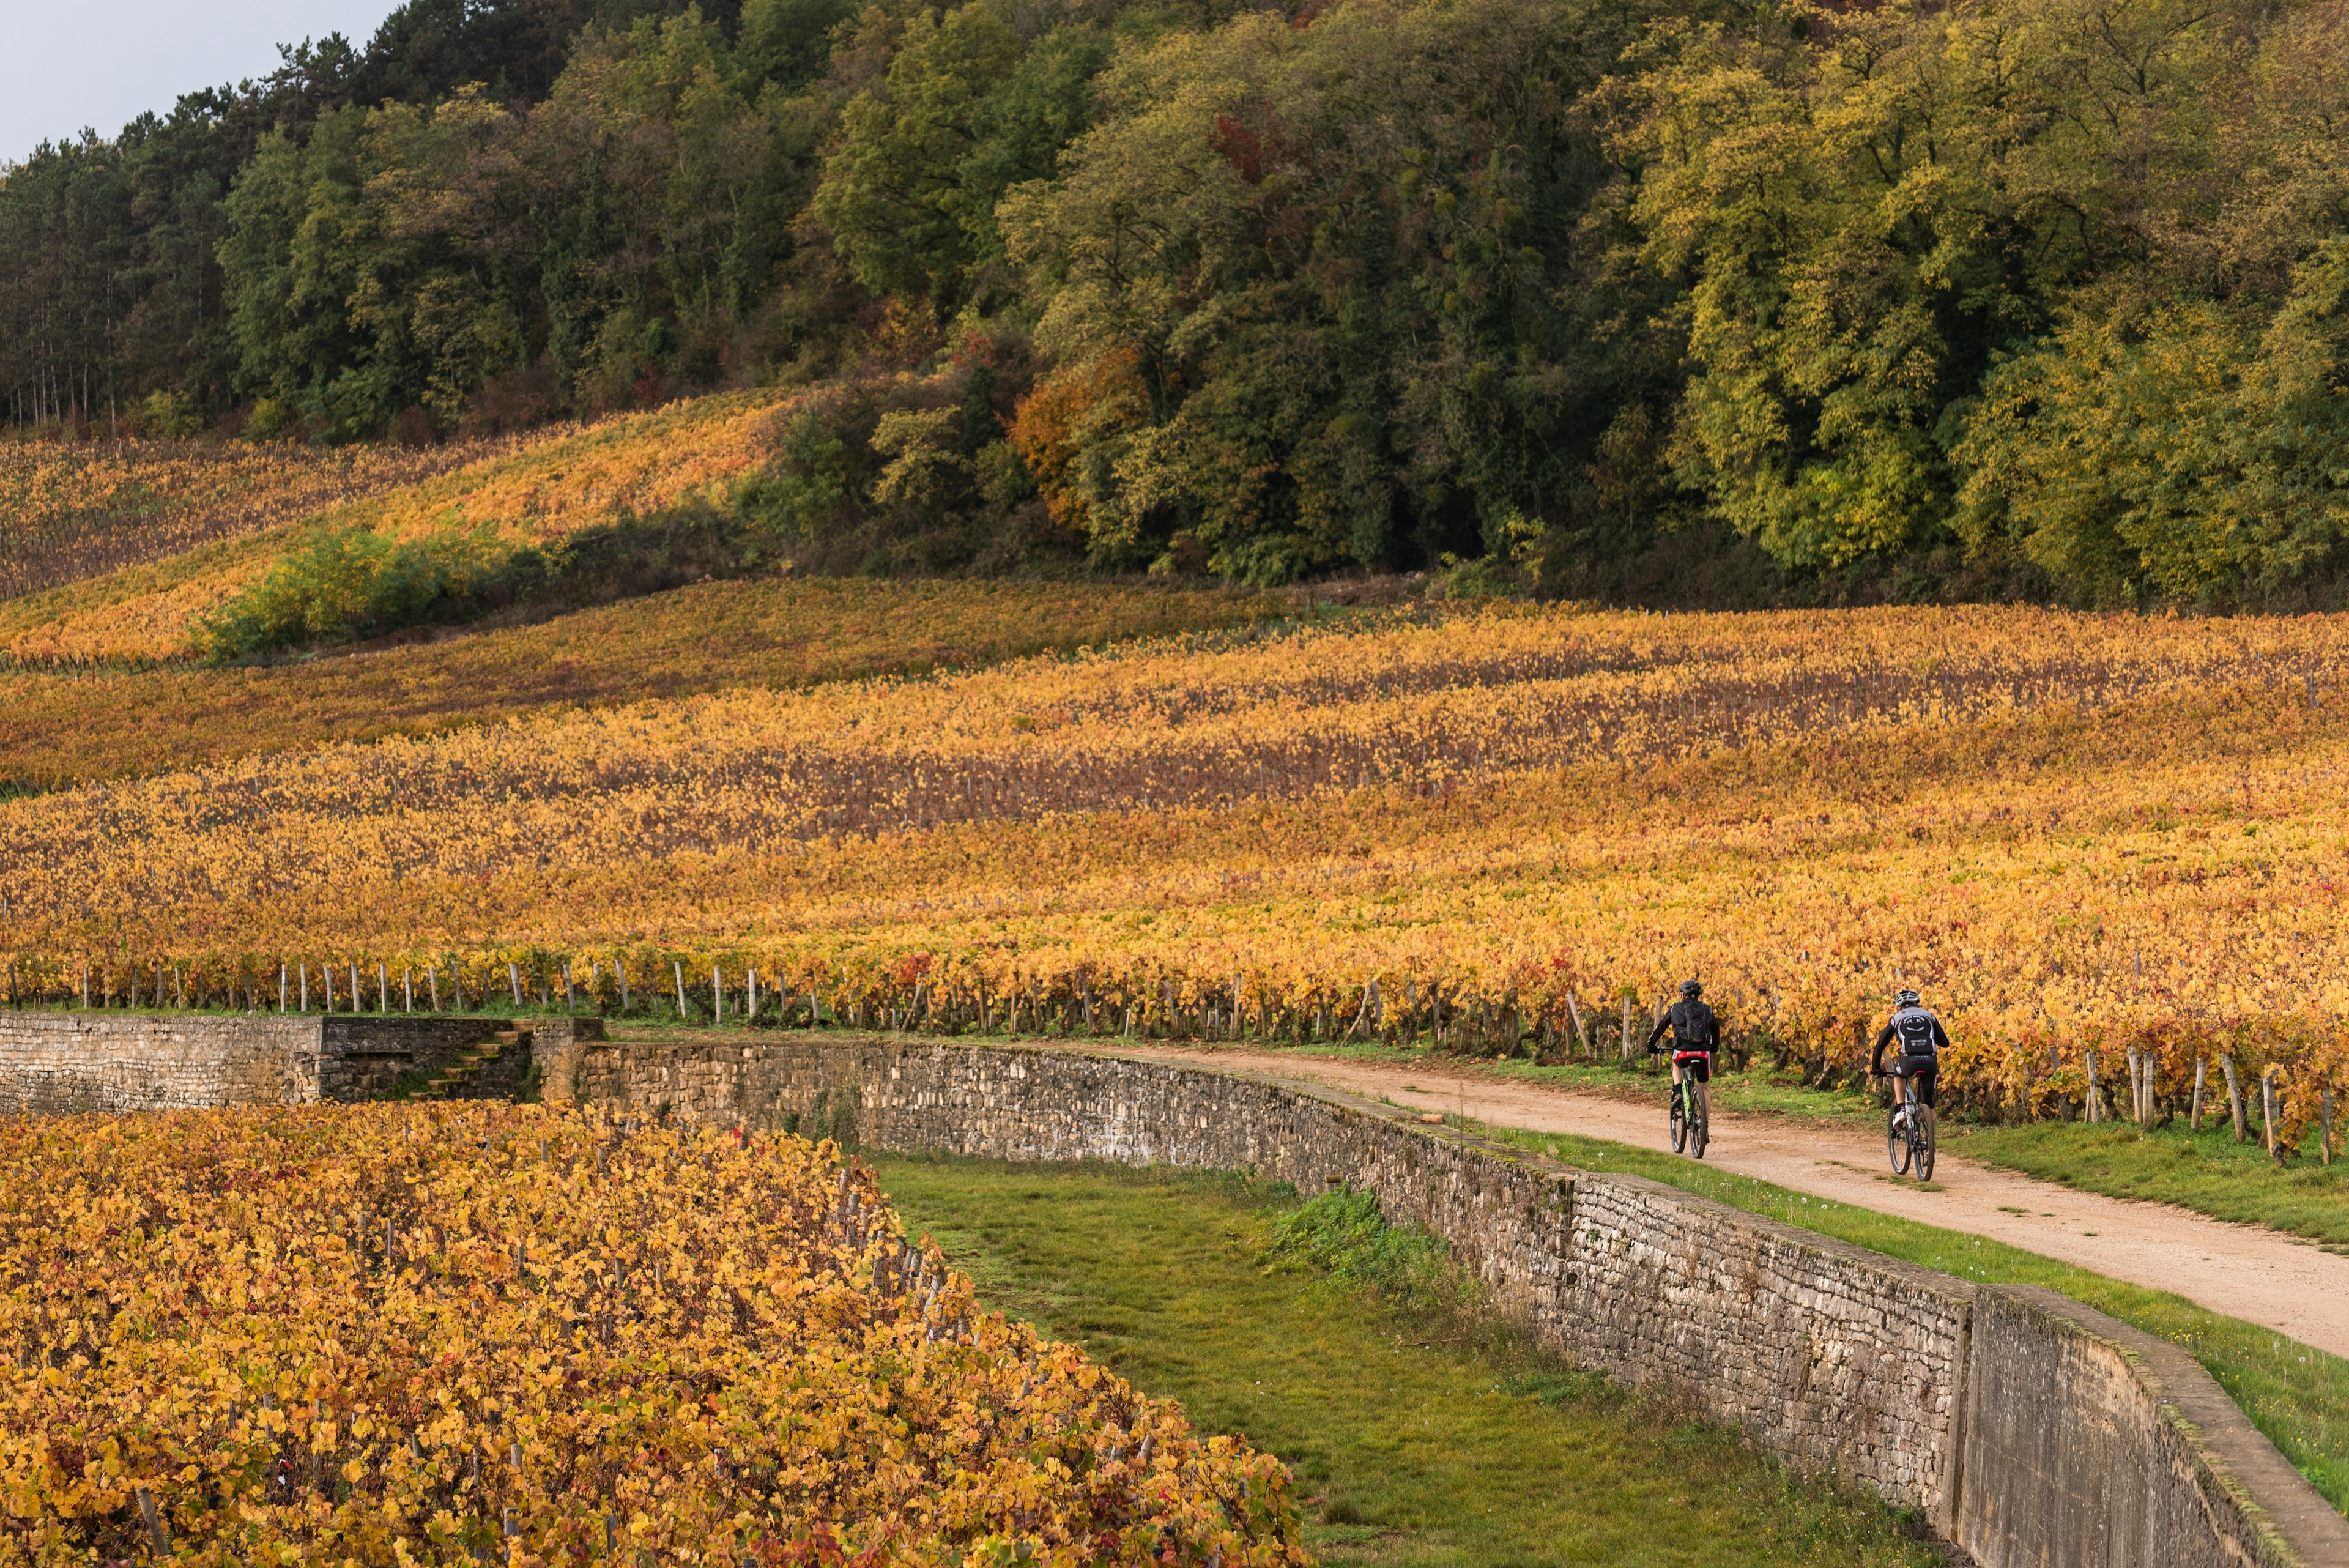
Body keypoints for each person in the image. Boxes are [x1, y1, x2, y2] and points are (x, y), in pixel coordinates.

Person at [1871, 989, 1949, 1126]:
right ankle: (1929, 1137)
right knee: (1929, 1105)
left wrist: (1876, 1069)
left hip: (1909, 1060)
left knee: (1899, 1075)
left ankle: (1902, 1110)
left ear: (1900, 1007)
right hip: (1930, 1060)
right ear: (1917, 1004)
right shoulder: (1929, 1015)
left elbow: (1879, 1046)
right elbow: (1945, 1043)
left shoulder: (1897, 1018)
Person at [1644, 979, 1719, 1110]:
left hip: (1683, 1051)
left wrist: (1651, 1045)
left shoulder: (1676, 1008)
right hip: (1703, 1052)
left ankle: (1678, 1092)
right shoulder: (1707, 1009)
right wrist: (1714, 1047)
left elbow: (1660, 1027)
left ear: (1682, 995)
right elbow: (1716, 1029)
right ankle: (1704, 1127)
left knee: (1676, 1064)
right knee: (1705, 1089)